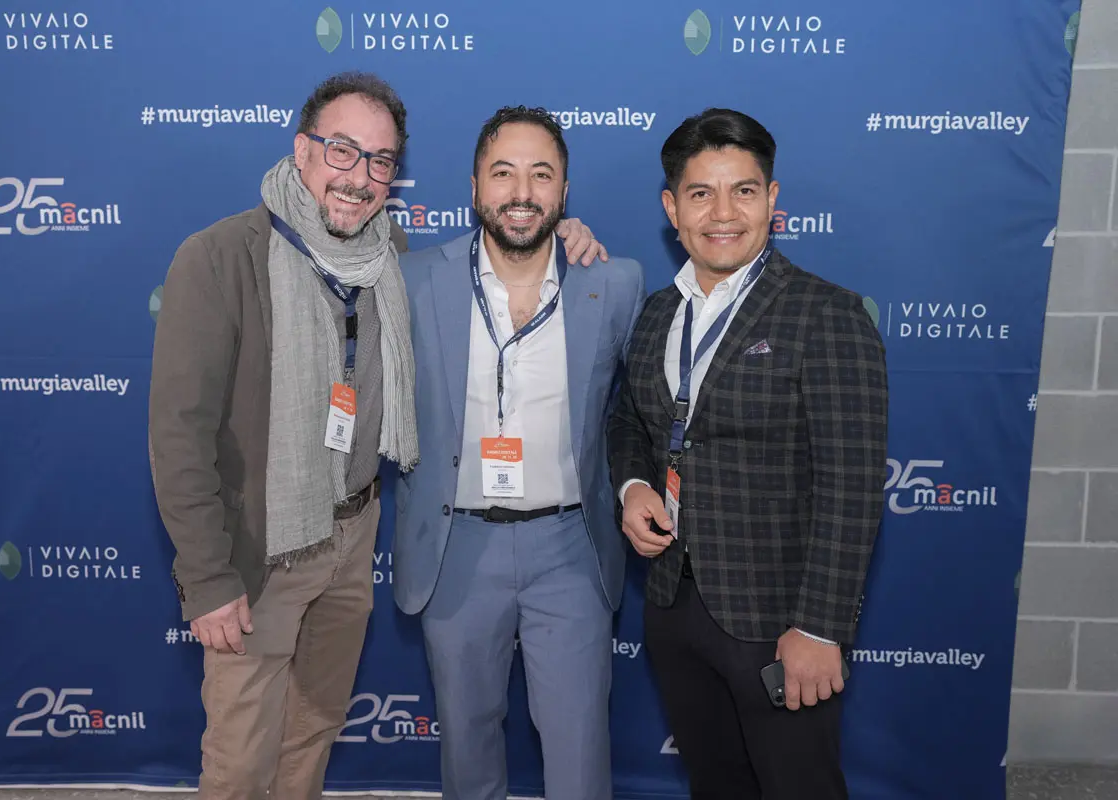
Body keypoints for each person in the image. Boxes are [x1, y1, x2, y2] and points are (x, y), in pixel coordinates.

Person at [148, 73, 605, 799]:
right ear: (302, 150)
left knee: (313, 730)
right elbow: (178, 437)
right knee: (241, 753)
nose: (359, 177)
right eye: (342, 150)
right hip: (261, 546)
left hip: (352, 537)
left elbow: (513, 252)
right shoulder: (220, 258)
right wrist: (207, 579)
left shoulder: (388, 255)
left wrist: (567, 235)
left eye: (380, 160)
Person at [607, 108, 889, 800]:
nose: (723, 213)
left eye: (744, 190)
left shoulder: (827, 315)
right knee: (716, 784)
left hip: (779, 620)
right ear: (673, 208)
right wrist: (634, 486)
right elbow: (628, 420)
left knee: (800, 787)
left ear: (772, 200)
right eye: (701, 193)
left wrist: (819, 628)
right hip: (673, 605)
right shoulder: (657, 312)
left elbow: (852, 488)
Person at [392, 106, 645, 800]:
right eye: (503, 173)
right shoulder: (414, 280)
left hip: (569, 548)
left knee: (579, 750)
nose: (522, 192)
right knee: (467, 748)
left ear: (564, 191)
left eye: (542, 174)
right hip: (455, 546)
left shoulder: (613, 283)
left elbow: (637, 414)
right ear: (475, 186)